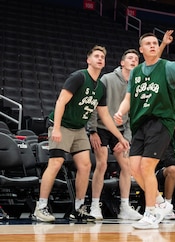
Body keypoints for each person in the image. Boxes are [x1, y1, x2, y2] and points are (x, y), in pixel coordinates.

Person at [32, 45, 130, 222]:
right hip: (62, 125)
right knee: (56, 162)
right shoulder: (78, 77)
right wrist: (56, 128)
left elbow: (105, 116)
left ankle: (78, 208)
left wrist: (121, 137)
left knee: (85, 166)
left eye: (103, 57)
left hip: (78, 129)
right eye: (96, 56)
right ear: (88, 60)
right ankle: (40, 207)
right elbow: (61, 101)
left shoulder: (100, 87)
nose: (100, 59)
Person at [114, 31, 175, 230]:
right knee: (134, 167)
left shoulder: (169, 67)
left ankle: (151, 212)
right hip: (139, 123)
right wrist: (119, 111)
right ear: (141, 49)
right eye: (148, 44)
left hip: (161, 121)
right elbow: (128, 98)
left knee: (146, 167)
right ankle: (160, 202)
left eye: (155, 43)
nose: (152, 45)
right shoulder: (136, 72)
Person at [87, 31, 174, 221]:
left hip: (121, 130)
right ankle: (95, 206)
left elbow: (133, 115)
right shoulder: (108, 79)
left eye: (136, 58)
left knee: (128, 166)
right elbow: (94, 105)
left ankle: (125, 207)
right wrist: (92, 130)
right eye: (130, 58)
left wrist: (125, 137)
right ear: (122, 63)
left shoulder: (140, 80)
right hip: (102, 127)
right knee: (101, 164)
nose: (134, 60)